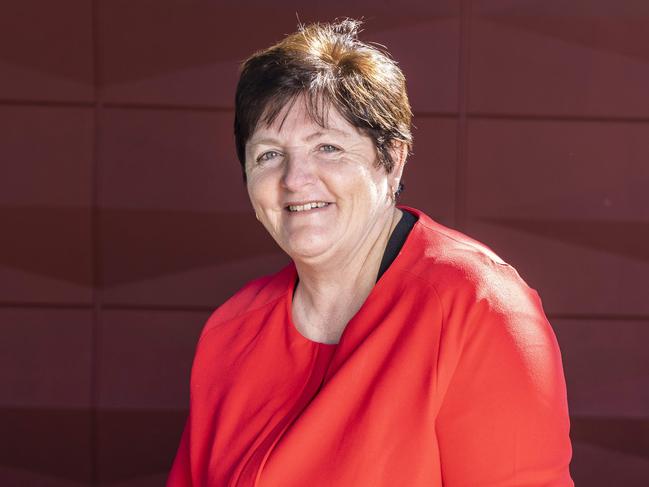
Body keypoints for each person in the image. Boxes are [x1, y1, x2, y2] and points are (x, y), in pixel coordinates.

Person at [167, 18, 574, 486]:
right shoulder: (229, 333)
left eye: (328, 147)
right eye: (269, 155)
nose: (295, 179)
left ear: (392, 158)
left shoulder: (478, 307)